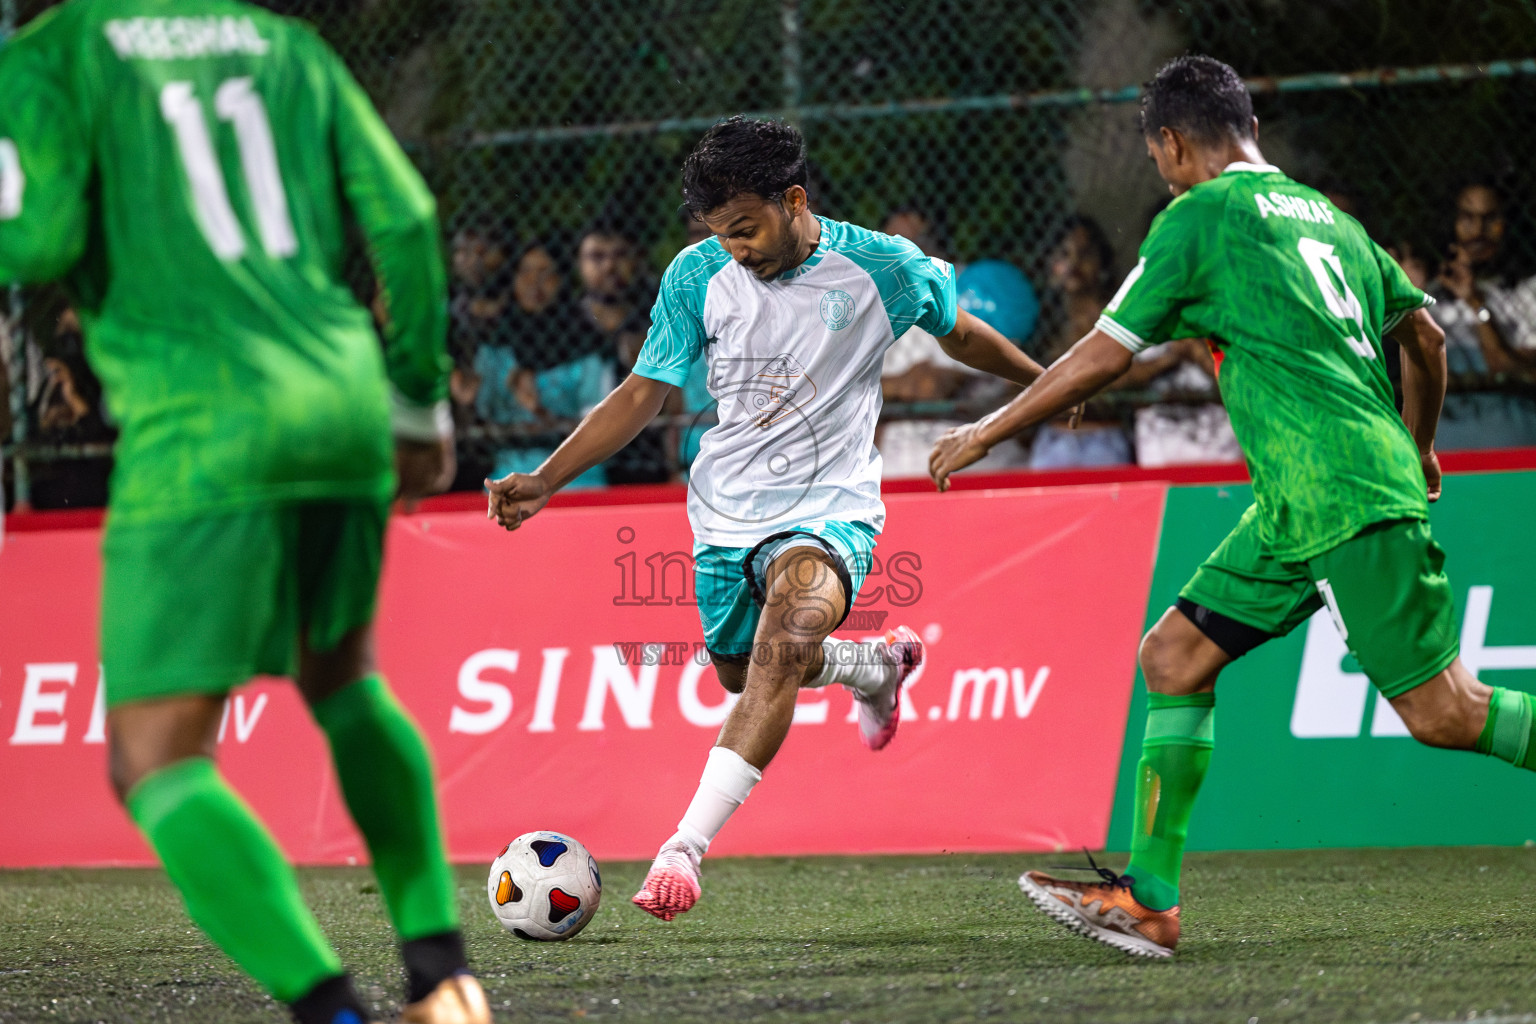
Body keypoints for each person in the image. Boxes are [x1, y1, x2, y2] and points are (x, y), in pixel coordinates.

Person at [931, 55, 1525, 960]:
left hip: (1339, 491)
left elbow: (1103, 353)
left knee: (1445, 712)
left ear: (1170, 142)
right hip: (1301, 500)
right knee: (1173, 656)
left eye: (1156, 154)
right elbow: (1429, 337)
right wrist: (1420, 444)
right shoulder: (1329, 216)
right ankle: (1150, 902)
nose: (1161, 170)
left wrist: (985, 432)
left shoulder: (1199, 217)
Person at [0, 4, 489, 1022]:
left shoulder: (56, 52)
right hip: (341, 400)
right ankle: (444, 976)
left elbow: (37, 233)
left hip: (200, 430)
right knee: (343, 679)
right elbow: (402, 215)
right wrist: (417, 398)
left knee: (154, 759)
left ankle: (331, 1009)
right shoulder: (281, 43)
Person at [486, 116, 1050, 921]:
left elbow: (959, 334)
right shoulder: (696, 275)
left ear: (794, 200)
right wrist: (547, 479)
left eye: (745, 230)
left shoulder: (881, 267)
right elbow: (645, 391)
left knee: (785, 643)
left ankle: (683, 848)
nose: (736, 250)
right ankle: (872, 670)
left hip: (833, 510)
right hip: (724, 516)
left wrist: (1045, 386)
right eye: (720, 234)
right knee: (741, 674)